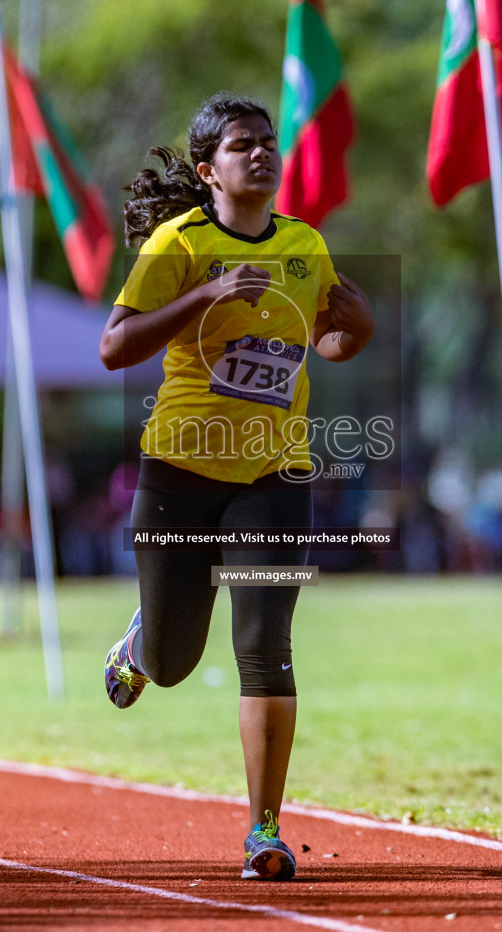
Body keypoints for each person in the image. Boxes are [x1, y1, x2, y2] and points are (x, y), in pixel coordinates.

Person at [98, 93, 374, 881]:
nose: (260, 153)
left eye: (266, 142)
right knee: (178, 658)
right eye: (241, 144)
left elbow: (322, 342)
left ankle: (264, 830)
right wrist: (203, 296)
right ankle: (141, 646)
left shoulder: (304, 244)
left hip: (274, 474)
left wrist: (359, 330)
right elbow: (114, 347)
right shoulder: (175, 243)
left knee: (263, 646)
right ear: (207, 169)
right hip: (180, 472)